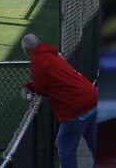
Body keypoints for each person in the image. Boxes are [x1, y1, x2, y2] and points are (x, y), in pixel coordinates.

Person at [20, 34, 97, 168]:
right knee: (95, 143)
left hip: (76, 107)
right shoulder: (51, 53)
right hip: (92, 98)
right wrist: (30, 85)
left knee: (64, 146)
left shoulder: (38, 60)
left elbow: (41, 89)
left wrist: (28, 87)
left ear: (26, 50)